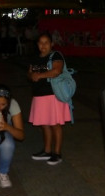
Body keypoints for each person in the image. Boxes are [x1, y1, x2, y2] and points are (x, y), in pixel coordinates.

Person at [27, 32, 72, 166]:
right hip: (39, 95)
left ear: (52, 44)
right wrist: (31, 76)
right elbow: (29, 72)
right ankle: (47, 151)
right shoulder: (35, 57)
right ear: (37, 45)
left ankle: (57, 153)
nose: (43, 45)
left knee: (55, 124)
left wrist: (39, 76)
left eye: (46, 42)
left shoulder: (55, 55)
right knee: (44, 124)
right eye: (40, 43)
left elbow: (56, 71)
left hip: (53, 95)